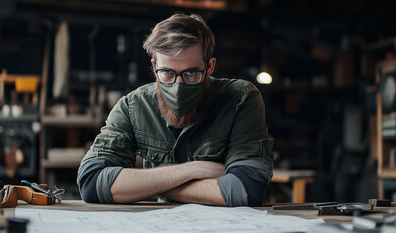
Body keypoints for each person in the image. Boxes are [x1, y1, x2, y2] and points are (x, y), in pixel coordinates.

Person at [77, 13, 274, 207]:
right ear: (154, 67)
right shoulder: (133, 107)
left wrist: (144, 184)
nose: (178, 86)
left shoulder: (241, 99)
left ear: (210, 66)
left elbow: (247, 189)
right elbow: (91, 183)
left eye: (191, 73)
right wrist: (194, 170)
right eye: (167, 73)